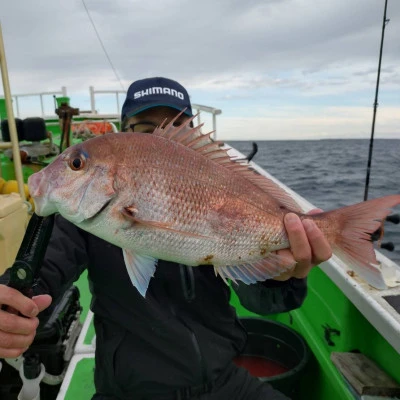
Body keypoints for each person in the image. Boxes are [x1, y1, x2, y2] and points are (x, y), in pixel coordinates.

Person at [0, 77, 332, 400]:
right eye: (146, 129)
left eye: (179, 129)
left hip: (223, 379)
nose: (163, 139)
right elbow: (42, 273)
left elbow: (261, 303)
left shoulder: (217, 185)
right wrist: (12, 306)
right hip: (128, 391)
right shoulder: (82, 218)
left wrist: (281, 277)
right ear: (125, 135)